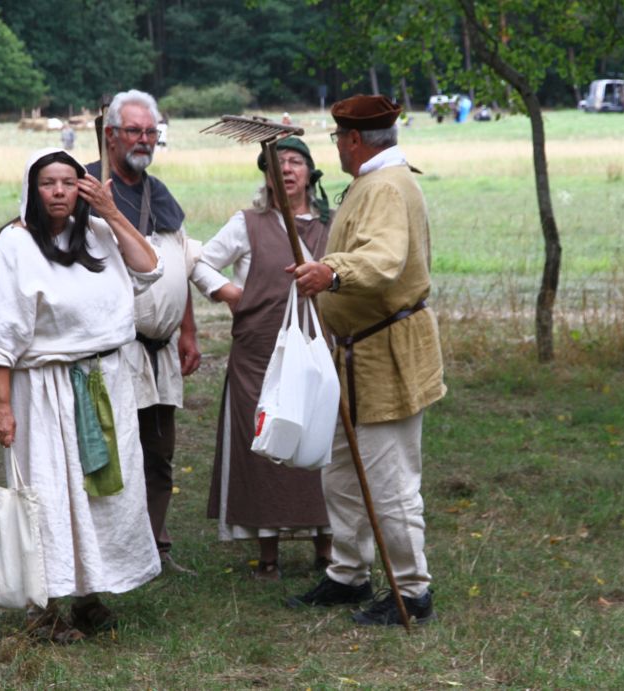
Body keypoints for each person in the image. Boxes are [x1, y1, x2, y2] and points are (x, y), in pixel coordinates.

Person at [0, 147, 163, 642]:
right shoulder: (14, 247)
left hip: (104, 384)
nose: (59, 192)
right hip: (45, 391)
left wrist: (111, 211)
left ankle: (89, 595)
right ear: (31, 190)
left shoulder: (98, 233)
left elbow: (149, 267)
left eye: (69, 182)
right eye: (48, 183)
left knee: (100, 494)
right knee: (50, 494)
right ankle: (44, 606)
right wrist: (0, 407)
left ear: (83, 187)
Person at [286, 95, 446, 626]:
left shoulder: (386, 187)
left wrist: (331, 273)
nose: (337, 146)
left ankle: (412, 592)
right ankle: (348, 574)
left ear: (354, 140)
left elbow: (384, 258)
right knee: (342, 473)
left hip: (385, 353)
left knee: (389, 480)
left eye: (339, 137)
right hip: (353, 355)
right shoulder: (373, 181)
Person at [191, 137, 333, 581]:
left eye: (295, 162)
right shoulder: (248, 223)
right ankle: (268, 555)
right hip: (260, 355)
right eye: (276, 164)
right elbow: (199, 262)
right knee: (267, 444)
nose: (286, 169)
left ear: (310, 172)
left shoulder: (333, 225)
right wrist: (230, 292)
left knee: (321, 440)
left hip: (321, 350)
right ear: (267, 177)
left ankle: (327, 549)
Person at [85, 90, 201, 575]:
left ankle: (156, 546)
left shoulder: (161, 194)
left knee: (159, 454)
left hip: (161, 352)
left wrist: (188, 330)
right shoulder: (85, 188)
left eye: (151, 132)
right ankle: (115, 553)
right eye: (134, 130)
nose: (144, 140)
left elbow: (178, 263)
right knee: (118, 454)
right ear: (111, 135)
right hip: (115, 352)